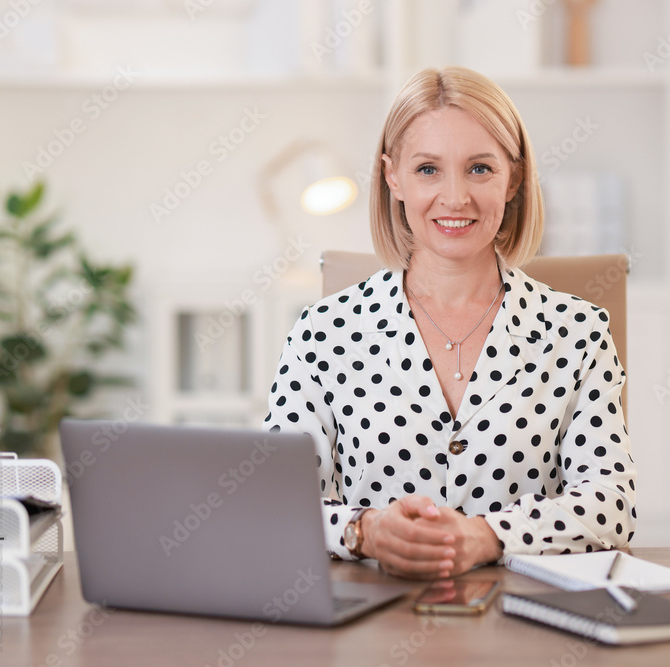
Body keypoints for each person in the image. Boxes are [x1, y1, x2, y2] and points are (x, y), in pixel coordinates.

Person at [263, 66, 635, 580]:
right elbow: (271, 500)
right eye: (428, 170)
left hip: (527, 629)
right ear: (393, 176)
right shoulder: (320, 332)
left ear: (515, 177)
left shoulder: (579, 331)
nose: (456, 197)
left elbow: (611, 505)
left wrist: (487, 537)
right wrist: (364, 531)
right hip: (369, 630)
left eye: (480, 168)